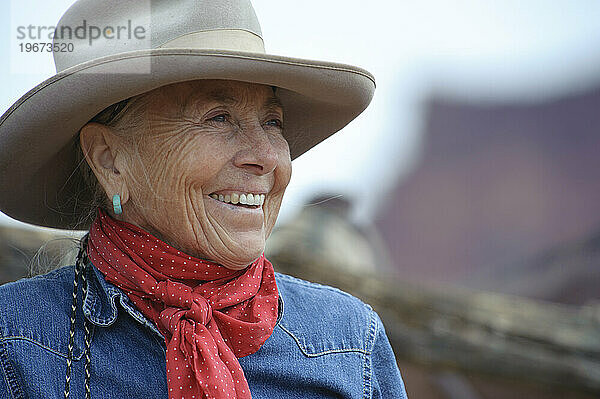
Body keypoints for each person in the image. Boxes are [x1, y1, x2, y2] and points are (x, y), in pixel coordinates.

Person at [0, 0, 408, 398]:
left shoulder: (350, 344)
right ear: (110, 160)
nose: (266, 157)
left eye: (272, 121)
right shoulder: (15, 346)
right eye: (218, 117)